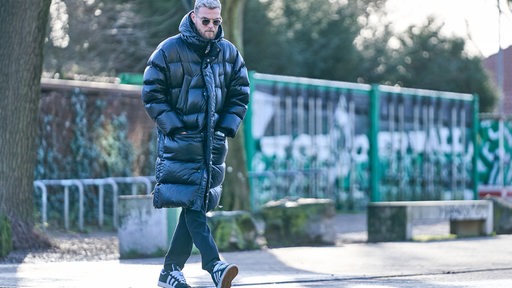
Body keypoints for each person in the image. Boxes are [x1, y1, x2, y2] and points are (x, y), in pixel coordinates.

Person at [141, 0, 250, 287]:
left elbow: (240, 92)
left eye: (216, 21)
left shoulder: (228, 53)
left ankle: (169, 271)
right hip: (181, 143)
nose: (212, 27)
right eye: (206, 21)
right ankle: (214, 264)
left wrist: (226, 127)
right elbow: (152, 92)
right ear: (193, 17)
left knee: (196, 203)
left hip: (212, 145)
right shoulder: (169, 50)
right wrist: (174, 126)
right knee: (194, 204)